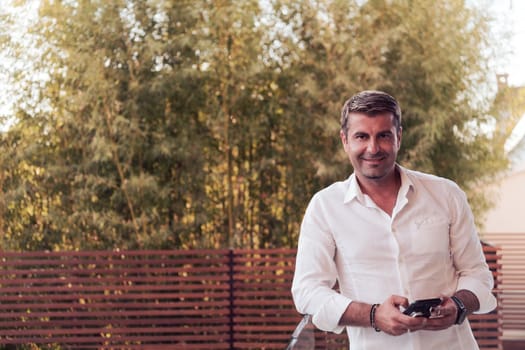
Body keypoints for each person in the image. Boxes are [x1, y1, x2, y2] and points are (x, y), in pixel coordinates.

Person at [291, 90, 497, 349]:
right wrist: (374, 315)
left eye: (384, 135)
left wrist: (458, 305)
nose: (373, 148)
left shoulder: (446, 194)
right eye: (361, 137)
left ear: (399, 136)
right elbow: (307, 291)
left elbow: (476, 273)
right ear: (345, 140)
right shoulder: (325, 207)